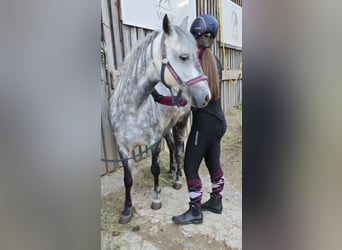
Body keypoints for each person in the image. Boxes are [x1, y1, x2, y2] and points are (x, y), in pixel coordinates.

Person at [171, 14, 227, 225]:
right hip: (219, 122)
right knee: (213, 163)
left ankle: (195, 211)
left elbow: (185, 99)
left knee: (190, 167)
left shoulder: (195, 62)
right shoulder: (216, 61)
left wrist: (162, 98)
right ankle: (216, 201)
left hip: (204, 123)